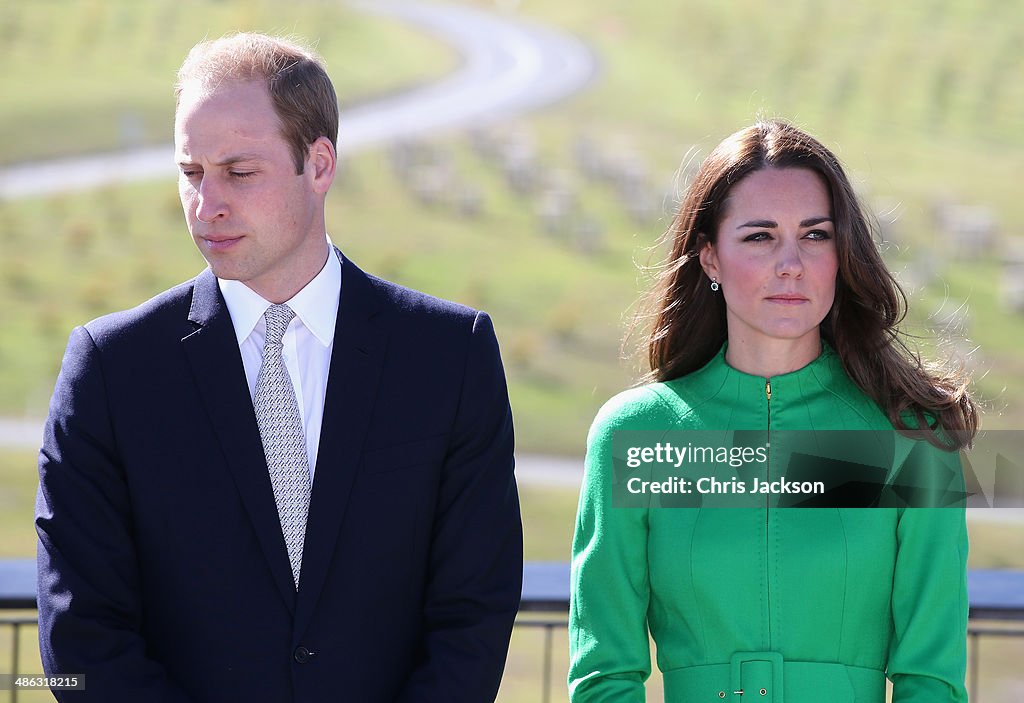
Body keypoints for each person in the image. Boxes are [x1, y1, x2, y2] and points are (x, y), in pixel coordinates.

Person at [35, 33, 522, 702]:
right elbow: (80, 638)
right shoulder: (111, 371)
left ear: (319, 164)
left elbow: (473, 614)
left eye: (239, 172)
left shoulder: (449, 355)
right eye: (191, 173)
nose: (207, 206)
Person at [568, 120, 978, 702]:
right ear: (710, 257)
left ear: (843, 253)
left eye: (815, 235)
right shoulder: (633, 434)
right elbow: (603, 673)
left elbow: (931, 680)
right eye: (760, 236)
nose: (792, 263)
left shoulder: (913, 440)